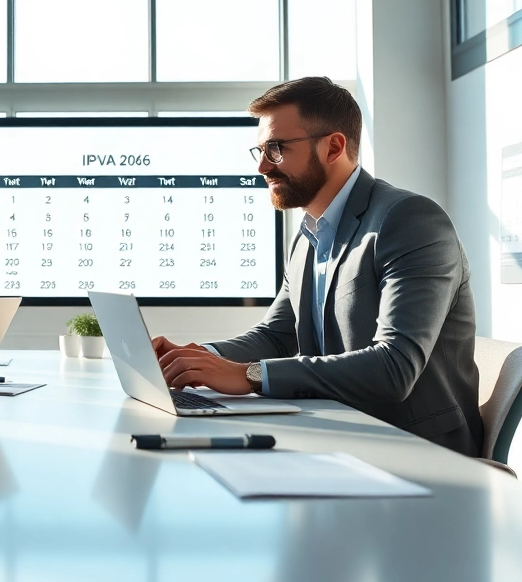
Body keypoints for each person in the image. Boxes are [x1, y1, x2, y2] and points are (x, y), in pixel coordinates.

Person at [152, 77, 482, 455]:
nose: (262, 166)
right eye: (260, 150)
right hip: (335, 433)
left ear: (334, 147)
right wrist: (196, 359)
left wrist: (249, 375)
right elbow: (277, 336)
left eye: (276, 149)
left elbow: (395, 367)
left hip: (414, 449)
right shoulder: (307, 237)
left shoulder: (409, 221)